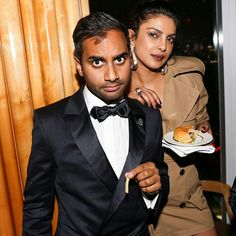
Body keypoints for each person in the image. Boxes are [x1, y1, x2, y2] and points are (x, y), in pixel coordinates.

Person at [22, 11, 169, 236]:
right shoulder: (50, 122)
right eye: (98, 62)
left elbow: (160, 174)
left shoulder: (150, 117)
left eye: (119, 59)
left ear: (130, 57)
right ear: (79, 66)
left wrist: (153, 189)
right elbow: (37, 208)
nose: (112, 75)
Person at [127, 1, 217, 235]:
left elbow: (200, 119)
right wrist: (128, 98)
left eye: (170, 39)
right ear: (132, 36)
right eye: (154, 35)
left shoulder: (189, 77)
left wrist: (203, 128)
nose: (162, 47)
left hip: (186, 198)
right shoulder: (113, 81)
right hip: (137, 199)